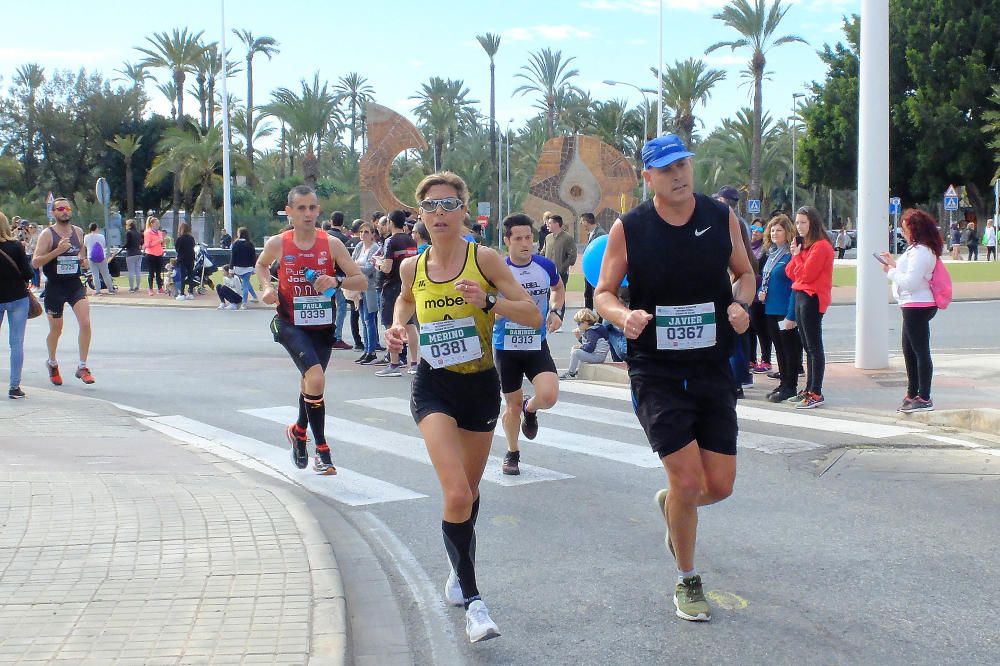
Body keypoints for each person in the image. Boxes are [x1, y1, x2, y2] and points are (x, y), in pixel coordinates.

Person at [594, 133, 754, 623]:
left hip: (710, 366)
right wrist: (624, 318)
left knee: (719, 486)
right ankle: (687, 578)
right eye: (665, 169)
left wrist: (740, 304)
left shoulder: (719, 216)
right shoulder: (632, 227)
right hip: (656, 371)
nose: (678, 174)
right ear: (649, 177)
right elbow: (603, 292)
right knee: (687, 478)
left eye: (683, 164)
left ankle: (675, 505)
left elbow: (744, 274)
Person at [385, 172, 540, 643]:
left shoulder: (485, 259)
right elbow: (405, 304)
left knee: (468, 495)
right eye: (430, 207)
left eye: (448, 205)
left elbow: (531, 314)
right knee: (455, 494)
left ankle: (457, 566)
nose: (439, 214)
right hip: (433, 387)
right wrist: (396, 327)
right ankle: (475, 602)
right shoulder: (414, 266)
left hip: (479, 385)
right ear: (421, 215)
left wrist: (490, 300)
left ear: (463, 211)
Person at [254, 185, 366, 475]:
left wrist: (336, 281)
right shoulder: (280, 243)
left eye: (312, 208)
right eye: (301, 208)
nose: (308, 214)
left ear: (319, 210)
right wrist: (267, 288)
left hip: (322, 326)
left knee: (311, 383)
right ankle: (323, 451)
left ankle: (298, 431)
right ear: (289, 212)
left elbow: (360, 281)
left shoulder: (331, 244)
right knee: (315, 377)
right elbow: (262, 265)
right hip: (290, 322)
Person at [494, 213, 565, 476]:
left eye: (529, 238)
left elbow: (558, 288)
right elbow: (484, 306)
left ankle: (530, 408)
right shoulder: (498, 270)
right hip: (506, 345)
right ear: (507, 241)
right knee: (510, 406)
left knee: (549, 396)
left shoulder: (545, 266)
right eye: (519, 239)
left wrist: (556, 311)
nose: (526, 244)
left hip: (536, 342)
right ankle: (512, 452)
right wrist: (499, 312)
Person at [881, 209, 942, 413]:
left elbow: (911, 282)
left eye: (905, 228)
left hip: (918, 304)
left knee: (920, 351)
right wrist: (894, 265)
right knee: (910, 351)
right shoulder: (917, 249)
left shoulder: (922, 251)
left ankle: (924, 396)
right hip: (911, 304)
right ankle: (913, 392)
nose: (902, 231)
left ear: (914, 229)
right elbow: (909, 273)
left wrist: (890, 271)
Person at [30, 197, 96, 385]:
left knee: (85, 322)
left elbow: (81, 255)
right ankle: (52, 363)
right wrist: (57, 252)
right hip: (55, 287)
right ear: (53, 213)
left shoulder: (78, 232)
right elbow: (35, 262)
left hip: (74, 284)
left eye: (67, 208)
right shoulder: (47, 234)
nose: (64, 211)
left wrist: (83, 262)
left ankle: (82, 366)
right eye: (59, 209)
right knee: (56, 329)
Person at [785, 206, 834, 409]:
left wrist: (798, 257)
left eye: (803, 222)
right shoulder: (805, 247)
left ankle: (816, 391)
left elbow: (807, 275)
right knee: (807, 345)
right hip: (800, 294)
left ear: (812, 223)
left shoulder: (821, 246)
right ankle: (809, 388)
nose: (799, 226)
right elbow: (791, 273)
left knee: (814, 346)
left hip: (812, 297)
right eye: (797, 223)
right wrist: (796, 254)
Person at [760, 214, 801, 403]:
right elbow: (767, 279)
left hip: (785, 309)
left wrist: (792, 314)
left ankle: (791, 385)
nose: (775, 232)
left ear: (787, 232)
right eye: (773, 229)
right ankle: (784, 382)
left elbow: (795, 283)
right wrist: (761, 291)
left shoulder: (790, 255)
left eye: (779, 229)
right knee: (779, 348)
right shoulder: (771, 254)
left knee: (789, 349)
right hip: (770, 308)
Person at [375, 209, 418, 376]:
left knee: (392, 323)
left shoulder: (390, 241)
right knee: (410, 325)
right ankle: (414, 362)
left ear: (391, 223)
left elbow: (387, 267)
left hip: (392, 286)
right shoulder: (411, 240)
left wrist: (377, 264)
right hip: (409, 285)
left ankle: (394, 363)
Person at [0, 212, 33, 399]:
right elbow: (28, 273)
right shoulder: (16, 246)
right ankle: (14, 387)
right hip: (18, 298)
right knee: (16, 343)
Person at [351, 222, 381, 364]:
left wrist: (356, 267)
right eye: (362, 231)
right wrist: (357, 266)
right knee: (363, 319)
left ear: (372, 234)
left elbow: (370, 268)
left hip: (370, 288)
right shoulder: (358, 246)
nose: (363, 234)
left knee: (369, 320)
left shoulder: (375, 248)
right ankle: (366, 349)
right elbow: (350, 263)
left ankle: (372, 351)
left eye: (367, 232)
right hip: (359, 288)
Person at [542, 214, 577, 323]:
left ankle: (558, 320)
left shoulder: (567, 238)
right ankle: (546, 319)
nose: (547, 224)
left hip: (561, 274)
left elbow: (572, 256)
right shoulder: (548, 238)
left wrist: (562, 268)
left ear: (557, 224)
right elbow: (543, 252)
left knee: (559, 297)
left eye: (550, 222)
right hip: (546, 273)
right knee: (546, 296)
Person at [559, 308, 610, 380]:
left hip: (597, 357)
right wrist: (580, 338)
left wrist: (580, 346)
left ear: (585, 322)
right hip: (599, 355)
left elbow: (590, 348)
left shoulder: (592, 331)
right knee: (577, 350)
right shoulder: (596, 327)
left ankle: (571, 373)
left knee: (575, 352)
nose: (578, 325)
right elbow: (589, 344)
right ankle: (578, 370)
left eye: (579, 323)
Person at [748, 221, 772, 374]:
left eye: (759, 229)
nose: (755, 231)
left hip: (759, 296)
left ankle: (766, 360)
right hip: (748, 293)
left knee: (761, 329)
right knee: (749, 328)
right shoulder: (748, 247)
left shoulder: (766, 250)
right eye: (753, 228)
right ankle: (751, 358)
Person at [581, 212, 606, 311]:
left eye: (582, 221)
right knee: (588, 293)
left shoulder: (600, 234)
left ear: (586, 221)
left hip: (597, 272)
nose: (581, 224)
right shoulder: (592, 233)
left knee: (596, 295)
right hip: (590, 270)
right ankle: (587, 316)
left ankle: (599, 319)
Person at [229, 227, 258, 309]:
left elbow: (233, 257)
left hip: (238, 268)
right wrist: (254, 268)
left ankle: (244, 303)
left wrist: (231, 268)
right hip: (248, 268)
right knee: (246, 283)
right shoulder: (250, 244)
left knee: (244, 285)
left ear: (239, 234)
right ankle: (255, 297)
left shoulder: (236, 243)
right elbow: (253, 257)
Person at [84, 223, 115, 295]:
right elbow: (103, 245)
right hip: (101, 256)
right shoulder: (101, 236)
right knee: (105, 273)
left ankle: (98, 290)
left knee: (95, 274)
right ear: (96, 228)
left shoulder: (86, 237)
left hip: (91, 256)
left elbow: (85, 245)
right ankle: (110, 289)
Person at [143, 216, 167, 295]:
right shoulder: (147, 232)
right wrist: (158, 241)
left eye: (158, 223)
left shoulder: (159, 233)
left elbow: (161, 243)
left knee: (158, 272)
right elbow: (147, 244)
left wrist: (163, 246)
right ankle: (150, 289)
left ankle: (160, 288)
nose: (158, 225)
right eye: (156, 223)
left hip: (159, 254)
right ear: (152, 224)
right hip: (150, 254)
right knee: (151, 273)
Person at [174, 223, 196, 300]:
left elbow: (177, 249)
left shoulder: (180, 239)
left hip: (182, 259)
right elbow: (193, 246)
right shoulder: (191, 238)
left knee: (182, 276)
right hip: (191, 258)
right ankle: (191, 293)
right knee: (190, 275)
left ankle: (182, 293)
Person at [123, 219, 143, 293]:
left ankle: (131, 287)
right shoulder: (138, 233)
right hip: (138, 253)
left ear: (129, 225)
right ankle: (137, 286)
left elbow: (128, 243)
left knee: (131, 271)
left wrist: (123, 247)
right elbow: (140, 242)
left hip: (131, 253)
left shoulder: (128, 233)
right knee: (138, 270)